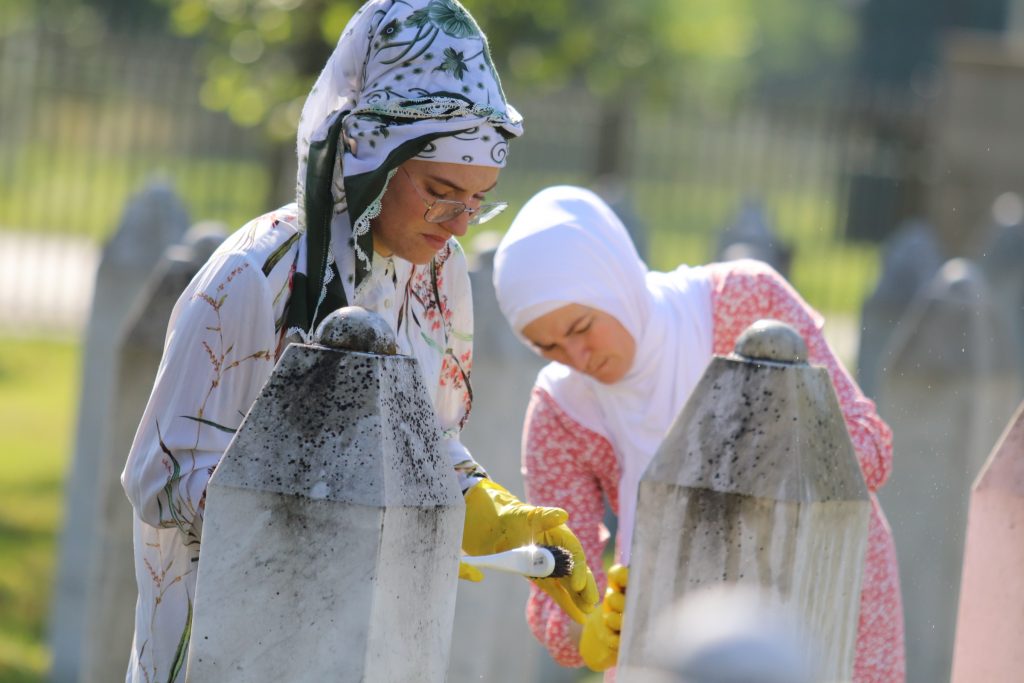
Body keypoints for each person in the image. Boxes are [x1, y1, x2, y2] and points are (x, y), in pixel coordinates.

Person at [119, 5, 596, 682]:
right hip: (228, 643)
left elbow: (425, 436)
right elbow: (158, 474)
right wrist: (334, 515)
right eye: (441, 192)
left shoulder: (440, 271)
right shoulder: (253, 275)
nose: (459, 224)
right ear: (373, 154)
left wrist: (481, 504)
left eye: (479, 199)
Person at [492, 185, 906, 682]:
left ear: (614, 280)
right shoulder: (563, 409)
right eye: (549, 347)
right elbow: (560, 587)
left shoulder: (742, 306)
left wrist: (758, 461)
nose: (577, 358)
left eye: (582, 327)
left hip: (821, 598)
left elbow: (869, 448)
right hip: (671, 626)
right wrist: (593, 628)